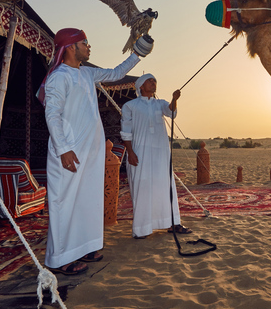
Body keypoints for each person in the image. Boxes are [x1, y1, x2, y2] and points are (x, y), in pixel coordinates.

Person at [40, 28, 149, 275]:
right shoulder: (59, 76)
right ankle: (59, 259)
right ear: (70, 47)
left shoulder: (87, 73)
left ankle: (85, 247)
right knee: (65, 202)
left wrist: (138, 53)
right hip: (68, 152)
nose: (89, 47)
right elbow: (52, 114)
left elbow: (116, 73)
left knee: (88, 199)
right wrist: (63, 149)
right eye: (85, 43)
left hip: (90, 152)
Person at [120, 74, 190, 239]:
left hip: (160, 151)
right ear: (140, 86)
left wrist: (174, 100)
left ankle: (173, 223)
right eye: (150, 80)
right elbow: (126, 130)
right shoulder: (130, 106)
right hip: (139, 151)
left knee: (166, 186)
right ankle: (142, 229)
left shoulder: (160, 103)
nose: (154, 83)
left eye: (155, 81)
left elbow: (171, 113)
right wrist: (130, 152)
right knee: (142, 187)